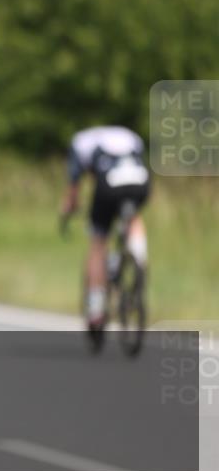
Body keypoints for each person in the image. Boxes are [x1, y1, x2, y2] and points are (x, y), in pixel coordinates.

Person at [60, 125, 151, 330]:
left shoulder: (79, 142)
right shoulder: (129, 136)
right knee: (133, 218)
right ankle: (139, 258)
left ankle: (96, 308)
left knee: (99, 240)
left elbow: (74, 186)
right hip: (140, 182)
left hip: (108, 186)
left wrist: (69, 208)